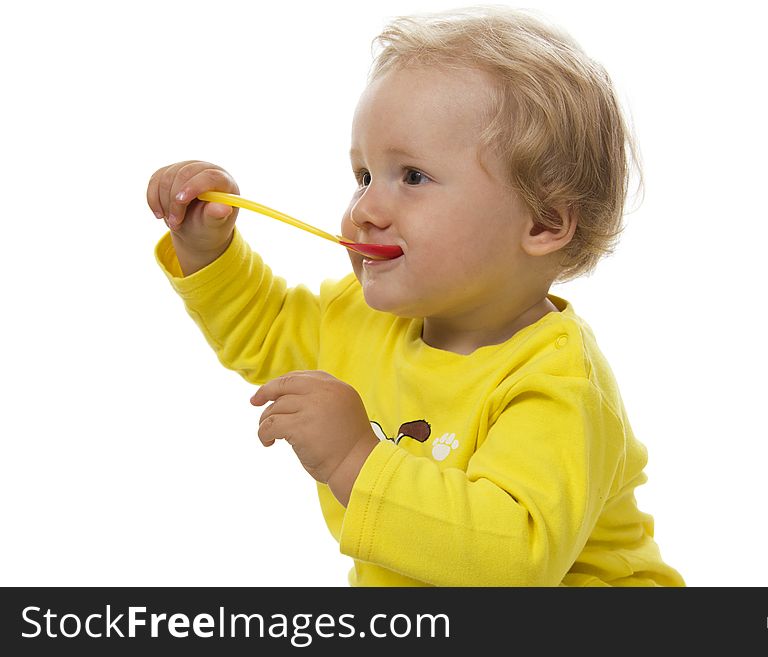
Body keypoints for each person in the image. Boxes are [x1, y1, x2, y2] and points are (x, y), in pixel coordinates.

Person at [146, 6, 684, 587]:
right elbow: (267, 330)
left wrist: (355, 457)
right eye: (363, 176)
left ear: (543, 221)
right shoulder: (360, 317)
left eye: (413, 177)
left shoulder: (558, 385)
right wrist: (209, 249)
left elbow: (513, 561)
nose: (366, 210)